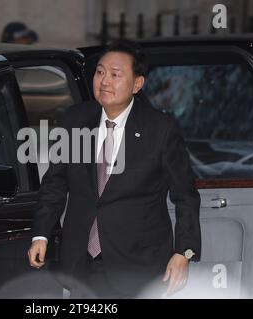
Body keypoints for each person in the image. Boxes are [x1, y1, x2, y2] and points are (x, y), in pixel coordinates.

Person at [28, 40, 201, 298]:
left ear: (137, 84)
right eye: (100, 72)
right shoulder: (75, 120)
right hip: (83, 263)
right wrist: (40, 234)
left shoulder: (161, 129)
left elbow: (185, 195)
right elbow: (55, 181)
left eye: (115, 74)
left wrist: (183, 253)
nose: (105, 81)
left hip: (137, 265)